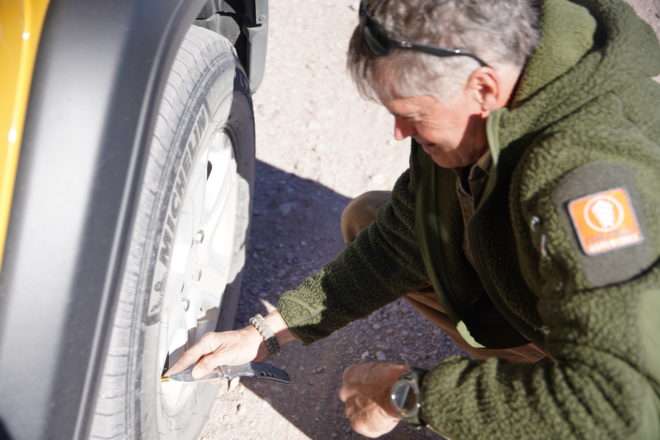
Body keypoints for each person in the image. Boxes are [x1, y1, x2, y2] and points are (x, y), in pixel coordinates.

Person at [166, 0, 660, 438]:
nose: (399, 133)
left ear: (484, 86)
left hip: (640, 377)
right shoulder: (478, 110)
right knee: (368, 217)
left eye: (412, 116)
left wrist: (411, 394)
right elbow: (403, 238)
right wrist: (269, 331)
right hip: (561, 313)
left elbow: (625, 404)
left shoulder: (588, 178)